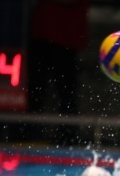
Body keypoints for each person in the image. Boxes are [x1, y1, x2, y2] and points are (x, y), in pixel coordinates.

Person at [27, 0, 90, 146]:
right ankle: (30, 133)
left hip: (67, 37)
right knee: (36, 90)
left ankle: (68, 135)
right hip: (43, 33)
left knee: (67, 93)